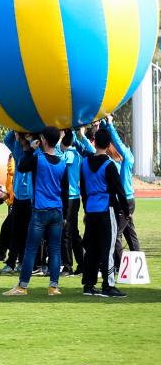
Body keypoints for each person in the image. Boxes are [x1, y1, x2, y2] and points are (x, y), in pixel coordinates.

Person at [3, 126, 68, 297]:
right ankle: (53, 287)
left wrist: (30, 150)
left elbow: (22, 167)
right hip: (57, 211)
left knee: (31, 249)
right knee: (54, 250)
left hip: (40, 210)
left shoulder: (38, 159)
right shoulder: (62, 162)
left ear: (44, 141)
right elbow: (65, 191)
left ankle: (22, 287)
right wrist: (66, 215)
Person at [79, 128, 128, 298]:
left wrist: (86, 208)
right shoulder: (109, 165)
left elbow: (83, 190)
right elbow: (119, 190)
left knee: (91, 248)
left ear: (94, 142)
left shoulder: (84, 163)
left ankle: (88, 284)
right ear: (108, 145)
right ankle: (108, 285)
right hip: (107, 210)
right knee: (107, 248)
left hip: (91, 210)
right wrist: (127, 211)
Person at [102, 115, 140, 270]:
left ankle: (120, 267)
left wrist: (110, 125)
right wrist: (103, 125)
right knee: (130, 234)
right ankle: (139, 267)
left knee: (115, 235)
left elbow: (117, 142)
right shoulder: (118, 161)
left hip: (126, 201)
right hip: (124, 200)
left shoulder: (127, 157)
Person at [1, 131, 34, 275]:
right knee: (16, 231)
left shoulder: (36, 153)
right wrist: (15, 128)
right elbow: (7, 139)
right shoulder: (17, 152)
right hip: (19, 198)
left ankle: (23, 261)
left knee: (27, 232)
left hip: (31, 199)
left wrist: (31, 139)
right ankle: (11, 261)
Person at [61, 129, 93, 275]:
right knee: (73, 233)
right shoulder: (76, 153)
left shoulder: (69, 154)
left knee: (66, 233)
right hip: (73, 198)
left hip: (70, 198)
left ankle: (68, 267)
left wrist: (59, 139)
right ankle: (82, 264)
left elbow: (57, 160)